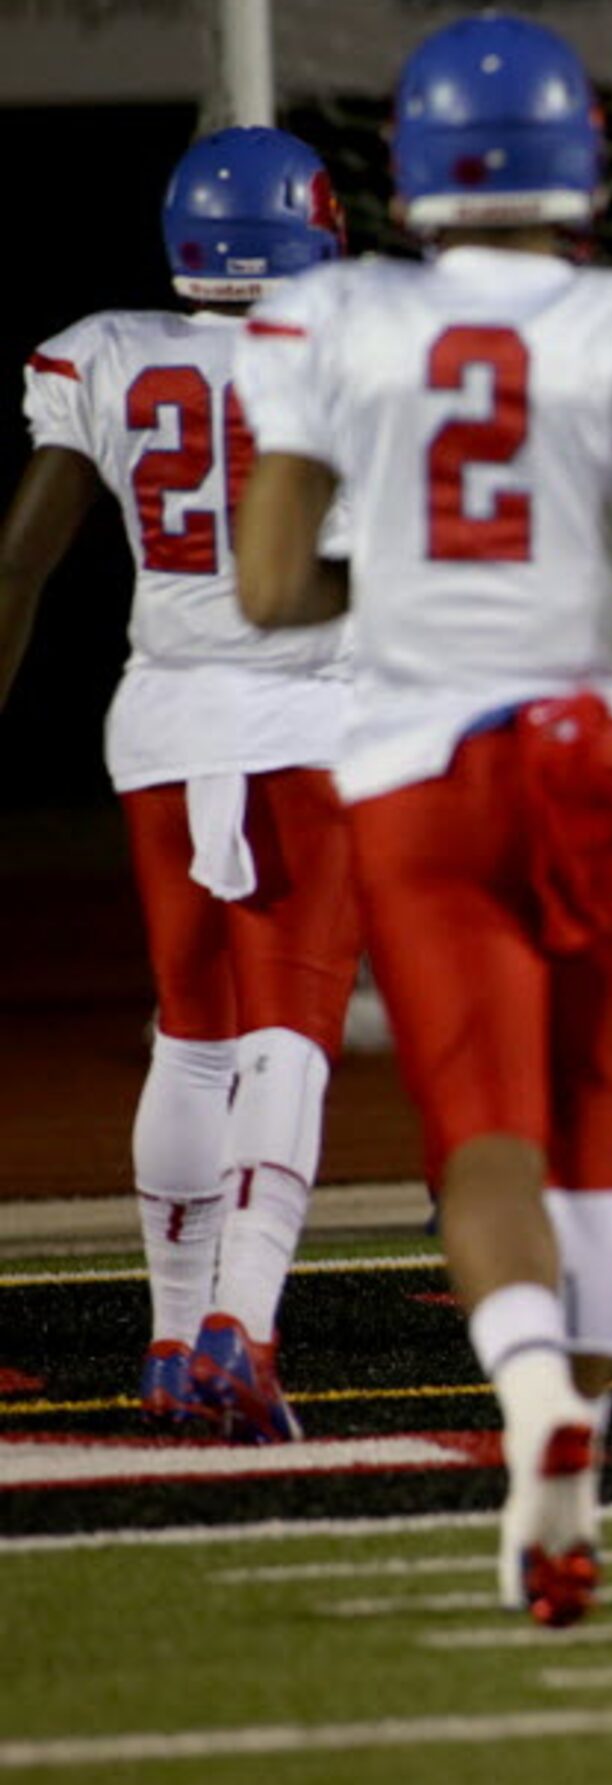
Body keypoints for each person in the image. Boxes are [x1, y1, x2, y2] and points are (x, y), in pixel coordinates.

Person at [231, 12, 612, 1626]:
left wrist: (395, 594)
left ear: (409, 174)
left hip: (414, 771)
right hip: (592, 751)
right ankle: (578, 1457)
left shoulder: (334, 318)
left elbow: (267, 584)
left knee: (484, 1141)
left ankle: (528, 1393)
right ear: (578, 158)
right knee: (594, 1167)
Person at [0, 127, 354, 1445]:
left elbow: (19, 565)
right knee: (292, 1027)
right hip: (307, 712)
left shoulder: (108, 350)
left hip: (157, 717)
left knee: (194, 1031)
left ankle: (168, 1333)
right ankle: (244, 1327)